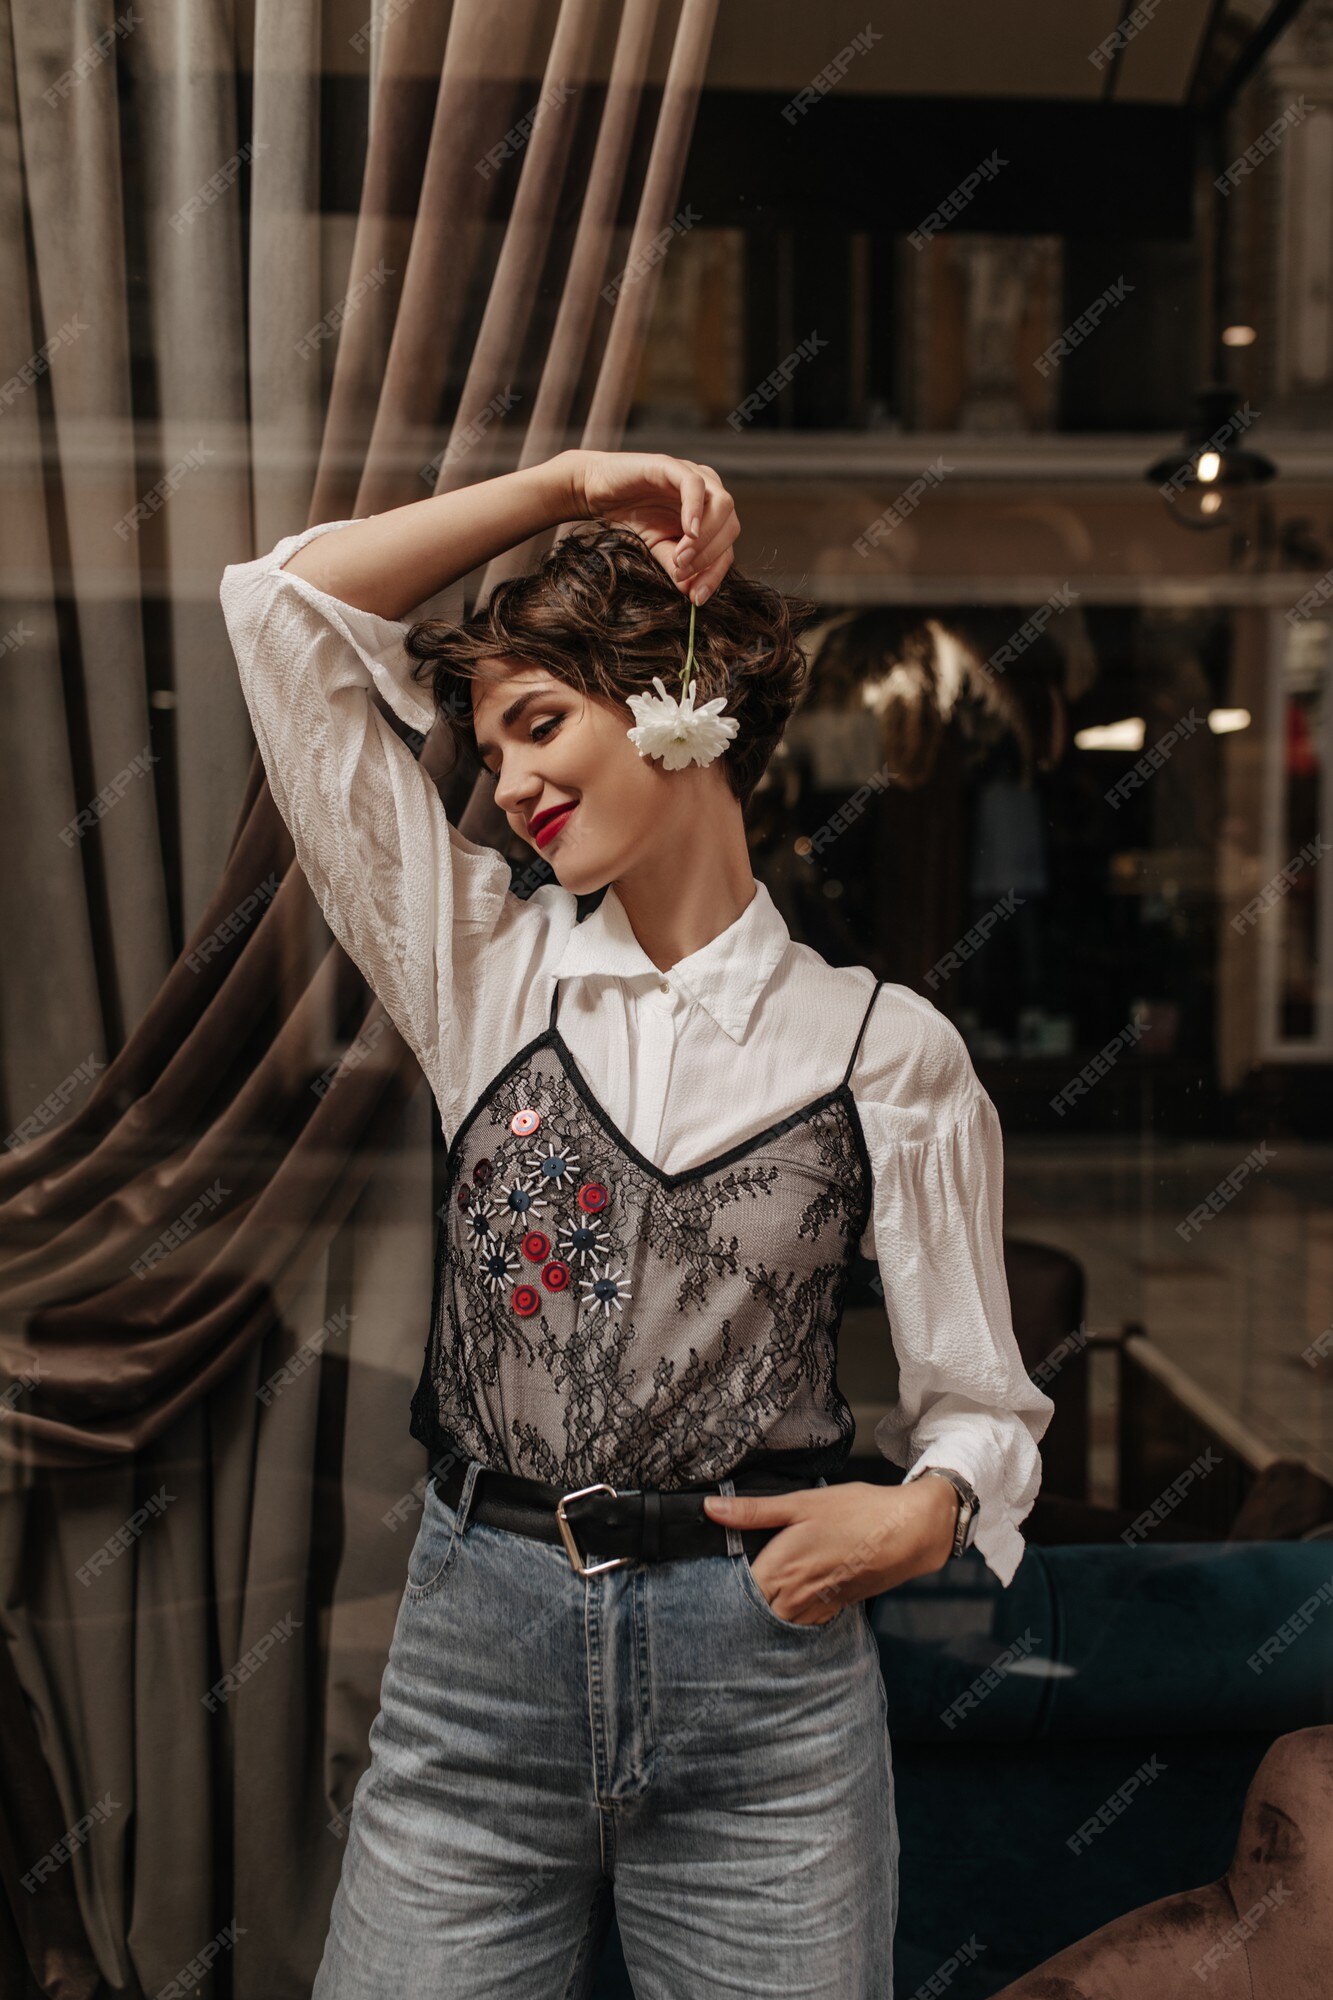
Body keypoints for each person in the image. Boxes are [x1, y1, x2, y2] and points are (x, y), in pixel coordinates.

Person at [219, 449, 1055, 1999]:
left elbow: (980, 1403)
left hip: (768, 1691)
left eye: (543, 722)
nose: (514, 783)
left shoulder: (884, 1050)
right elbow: (280, 617)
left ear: (684, 704)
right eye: (490, 749)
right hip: (478, 1664)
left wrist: (926, 1515)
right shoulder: (479, 971)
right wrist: (561, 485)